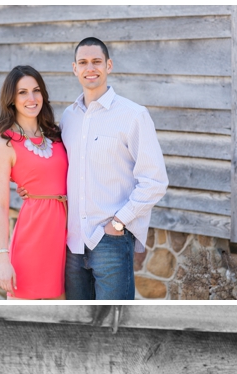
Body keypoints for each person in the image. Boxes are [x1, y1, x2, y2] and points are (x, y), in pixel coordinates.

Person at [60, 37, 169, 299]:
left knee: (114, 326)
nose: (90, 68)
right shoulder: (68, 117)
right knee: (80, 326)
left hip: (111, 240)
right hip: (72, 243)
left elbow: (155, 180)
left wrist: (119, 224)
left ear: (109, 65)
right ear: (74, 68)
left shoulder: (133, 115)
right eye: (83, 62)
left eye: (97, 61)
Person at [0, 66, 68, 299]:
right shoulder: (4, 144)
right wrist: (3, 259)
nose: (31, 98)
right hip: (32, 237)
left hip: (66, 238)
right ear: (11, 99)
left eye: (36, 91)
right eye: (22, 92)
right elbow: (1, 206)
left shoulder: (57, 135)